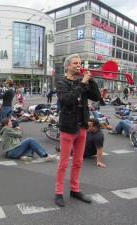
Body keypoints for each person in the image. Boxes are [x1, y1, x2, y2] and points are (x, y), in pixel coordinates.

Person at [54, 54, 101, 207]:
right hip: (68, 128)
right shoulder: (61, 83)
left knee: (78, 162)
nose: (78, 65)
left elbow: (97, 97)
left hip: (82, 127)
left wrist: (91, 81)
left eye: (80, 63)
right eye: (75, 63)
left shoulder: (84, 82)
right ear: (67, 66)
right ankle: (59, 192)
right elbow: (68, 100)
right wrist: (82, 83)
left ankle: (75, 190)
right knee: (63, 163)